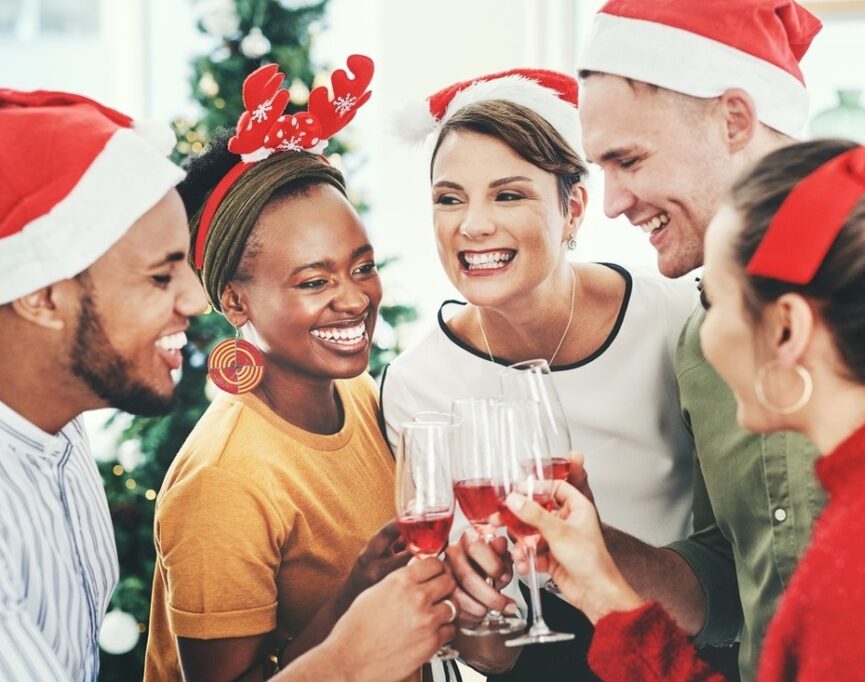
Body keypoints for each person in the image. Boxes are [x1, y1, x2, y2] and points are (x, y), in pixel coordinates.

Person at [572, 0, 865, 678]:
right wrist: (598, 558)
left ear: (734, 119)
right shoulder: (701, 343)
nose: (611, 202)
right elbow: (737, 575)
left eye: (628, 159)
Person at [144, 61, 457, 681]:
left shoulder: (361, 392)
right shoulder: (224, 479)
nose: (355, 299)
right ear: (234, 302)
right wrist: (357, 592)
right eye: (315, 280)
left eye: (361, 266)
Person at [385, 68, 698, 679]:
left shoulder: (676, 322)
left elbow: (733, 573)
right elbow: (490, 656)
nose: (471, 225)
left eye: (508, 194)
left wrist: (588, 549)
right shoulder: (418, 384)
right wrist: (472, 605)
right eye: (450, 198)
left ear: (573, 207)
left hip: (677, 656)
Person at [0, 88, 205, 681]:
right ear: (41, 296)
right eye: (161, 275)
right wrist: (350, 659)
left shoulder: (59, 418)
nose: (195, 299)